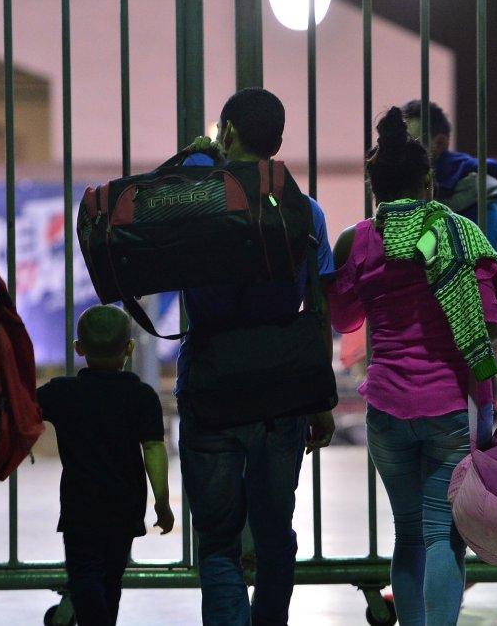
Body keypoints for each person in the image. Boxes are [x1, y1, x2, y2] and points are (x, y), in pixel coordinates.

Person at [327, 107, 497, 626]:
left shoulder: (359, 239)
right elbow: (490, 323)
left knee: (407, 533)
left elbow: (343, 316)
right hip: (447, 406)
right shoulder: (461, 235)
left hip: (384, 409)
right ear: (428, 181)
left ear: (373, 184)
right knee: (441, 533)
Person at [176, 87, 336, 626]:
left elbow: (150, 198)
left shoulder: (195, 197)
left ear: (227, 133)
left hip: (211, 382)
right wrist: (320, 398)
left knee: (219, 544)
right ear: (279, 141)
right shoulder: (304, 210)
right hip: (283, 390)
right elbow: (318, 305)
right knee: (273, 537)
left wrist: (199, 156)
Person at [38, 305, 175, 626]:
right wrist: (162, 501)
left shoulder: (61, 392)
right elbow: (154, 448)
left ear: (78, 349)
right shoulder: (141, 396)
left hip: (80, 504)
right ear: (129, 348)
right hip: (125, 505)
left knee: (84, 572)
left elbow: (23, 409)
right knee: (112, 578)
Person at [400, 99, 497, 260]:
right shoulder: (399, 186)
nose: (402, 154)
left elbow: (496, 265)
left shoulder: (475, 187)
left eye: (413, 144)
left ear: (441, 143)